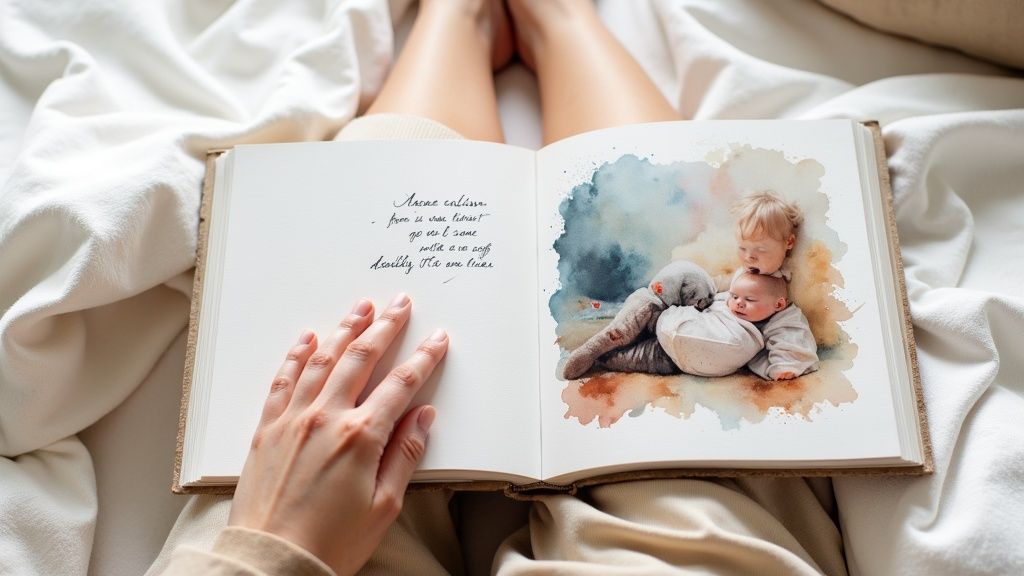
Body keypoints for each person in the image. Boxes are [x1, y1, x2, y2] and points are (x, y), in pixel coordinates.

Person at [153, 1, 848, 574]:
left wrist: (274, 547)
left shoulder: (773, 301)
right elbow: (779, 347)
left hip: (277, 555)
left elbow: (787, 349)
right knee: (683, 503)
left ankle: (460, 17)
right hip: (693, 346)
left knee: (351, 376)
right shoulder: (750, 281)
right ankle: (557, 19)